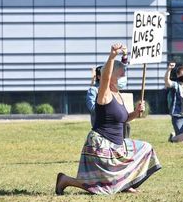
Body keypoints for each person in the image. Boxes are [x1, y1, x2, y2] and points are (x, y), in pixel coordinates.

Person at [56, 43, 161, 195]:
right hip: (100, 145)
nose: (124, 77)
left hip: (117, 145)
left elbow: (123, 119)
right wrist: (112, 56)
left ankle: (124, 184)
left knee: (145, 148)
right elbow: (105, 77)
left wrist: (136, 112)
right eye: (121, 75)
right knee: (102, 187)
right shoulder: (103, 93)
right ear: (111, 77)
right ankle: (65, 180)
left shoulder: (119, 95)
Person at [86, 53, 130, 138]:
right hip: (104, 132)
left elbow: (121, 69)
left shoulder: (115, 91)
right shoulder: (94, 90)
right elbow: (93, 109)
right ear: (99, 76)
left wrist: (124, 57)